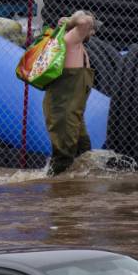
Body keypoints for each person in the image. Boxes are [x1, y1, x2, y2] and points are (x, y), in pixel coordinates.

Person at [43, 10, 101, 176]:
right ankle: (57, 191)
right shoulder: (71, 38)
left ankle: (76, 191)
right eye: (93, 29)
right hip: (63, 109)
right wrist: (70, 21)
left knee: (84, 150)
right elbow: (84, 20)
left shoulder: (76, 44)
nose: (93, 32)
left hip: (73, 111)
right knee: (64, 156)